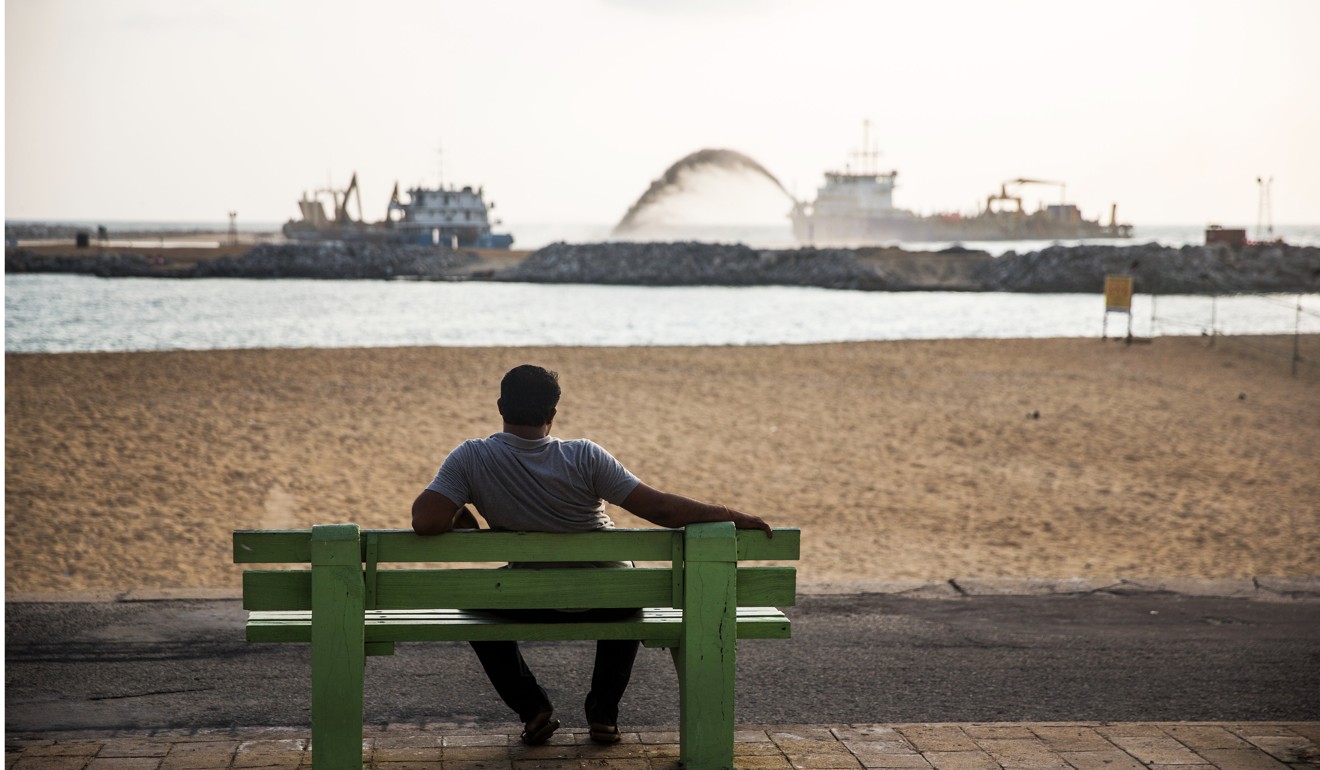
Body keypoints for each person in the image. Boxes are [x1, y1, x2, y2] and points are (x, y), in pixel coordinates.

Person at [412, 364, 771, 746]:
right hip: (608, 598)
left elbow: (425, 521)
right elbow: (663, 511)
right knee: (630, 585)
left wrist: (459, 509)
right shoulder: (585, 456)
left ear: (500, 406)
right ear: (552, 413)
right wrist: (729, 514)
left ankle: (533, 707)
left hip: (526, 599)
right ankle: (602, 712)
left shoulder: (471, 458)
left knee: (472, 608)